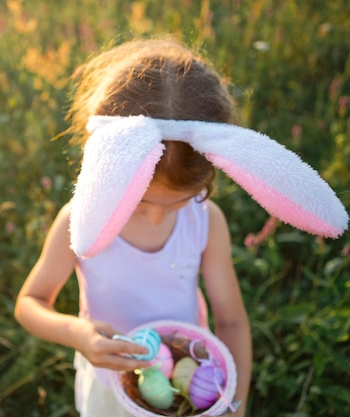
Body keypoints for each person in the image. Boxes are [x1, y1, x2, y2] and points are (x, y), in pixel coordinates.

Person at [15, 36, 252, 417]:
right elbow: (30, 303)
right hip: (110, 380)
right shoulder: (81, 222)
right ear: (105, 170)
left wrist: (234, 405)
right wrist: (78, 335)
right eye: (140, 204)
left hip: (187, 380)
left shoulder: (206, 221)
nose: (159, 216)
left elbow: (231, 320)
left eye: (179, 201)